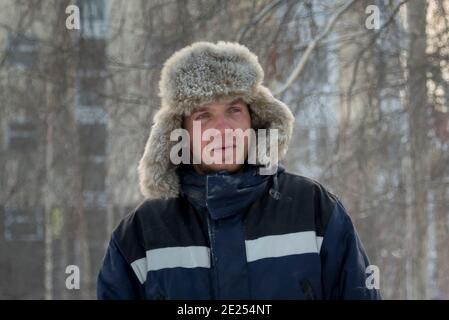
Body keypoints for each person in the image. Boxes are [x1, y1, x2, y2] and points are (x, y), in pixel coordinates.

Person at [97, 41, 381, 300]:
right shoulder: (141, 233)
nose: (223, 130)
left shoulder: (313, 208)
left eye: (234, 110)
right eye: (203, 115)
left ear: (254, 120)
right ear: (179, 132)